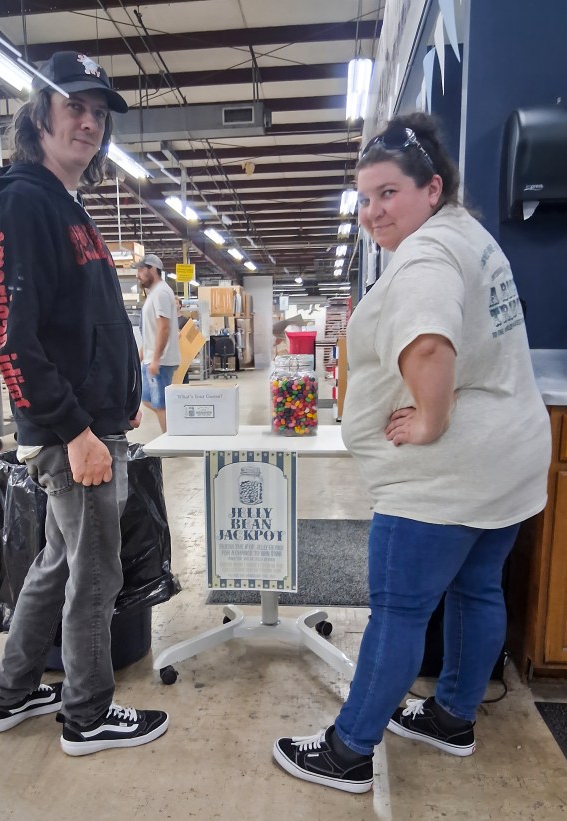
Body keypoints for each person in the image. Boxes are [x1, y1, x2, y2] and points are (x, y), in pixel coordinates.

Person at [273, 111, 551, 793]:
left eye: (388, 192)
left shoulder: (425, 256)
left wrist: (429, 418)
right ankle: (452, 716)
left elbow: (428, 343)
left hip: (445, 476)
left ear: (432, 188)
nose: (372, 211)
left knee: (399, 610)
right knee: (477, 588)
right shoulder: (468, 235)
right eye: (365, 197)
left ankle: (348, 750)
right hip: (508, 459)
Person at [0, 51, 169, 756]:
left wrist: (120, 395)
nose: (88, 121)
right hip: (70, 434)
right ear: (39, 117)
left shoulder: (64, 203)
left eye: (98, 111)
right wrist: (79, 431)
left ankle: (11, 692)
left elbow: (83, 323)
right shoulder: (23, 202)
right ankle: (87, 713)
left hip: (90, 422)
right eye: (73, 106)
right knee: (95, 573)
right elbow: (9, 336)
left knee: (59, 561)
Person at [137, 254, 181, 431]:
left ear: (153, 269)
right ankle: (176, 427)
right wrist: (140, 356)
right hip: (151, 359)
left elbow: (164, 327)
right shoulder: (154, 293)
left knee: (161, 403)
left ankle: (171, 438)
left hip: (160, 361)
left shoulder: (161, 293)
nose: (138, 274)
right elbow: (152, 331)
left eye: (141, 270)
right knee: (147, 399)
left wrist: (156, 359)